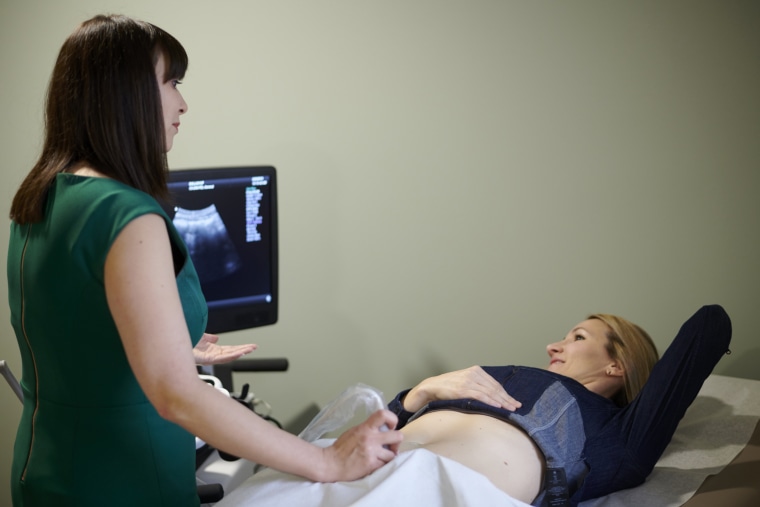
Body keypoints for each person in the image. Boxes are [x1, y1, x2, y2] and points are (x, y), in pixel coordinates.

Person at [6, 14, 401, 507]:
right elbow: (177, 395)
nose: (182, 102)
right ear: (123, 94)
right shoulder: (126, 215)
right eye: (170, 82)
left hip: (45, 472)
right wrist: (327, 460)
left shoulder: (42, 198)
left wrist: (170, 345)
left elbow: (72, 330)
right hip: (124, 481)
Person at [387, 304, 732, 506]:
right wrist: (418, 394)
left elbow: (709, 325)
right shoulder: (484, 379)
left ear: (618, 365)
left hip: (436, 493)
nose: (552, 346)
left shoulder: (617, 438)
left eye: (578, 337)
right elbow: (383, 423)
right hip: (365, 462)